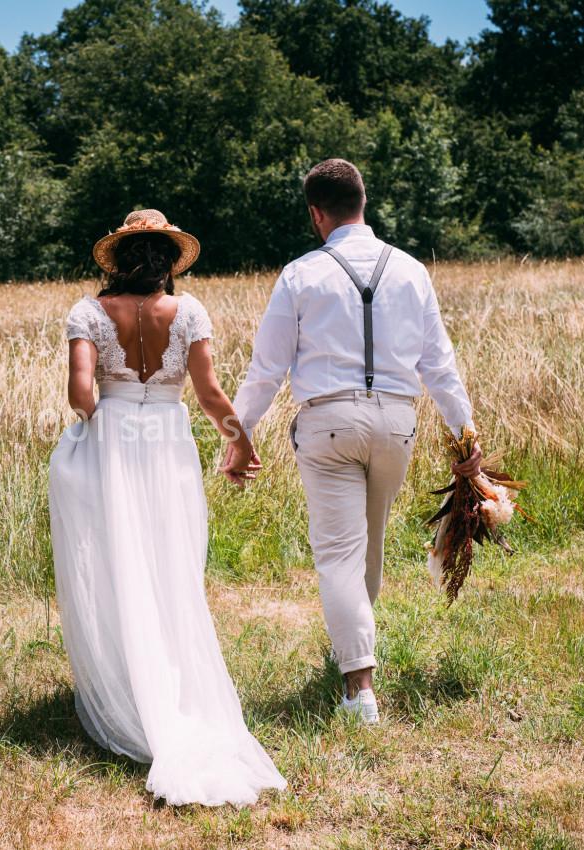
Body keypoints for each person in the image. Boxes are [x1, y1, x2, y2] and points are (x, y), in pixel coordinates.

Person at [228, 159, 482, 725]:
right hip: (397, 424)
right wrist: (467, 437)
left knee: (339, 554)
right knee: (368, 546)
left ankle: (359, 690)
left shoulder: (299, 274)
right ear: (363, 201)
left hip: (328, 424)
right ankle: (354, 650)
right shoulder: (412, 270)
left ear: (317, 214)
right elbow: (440, 366)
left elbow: (267, 369)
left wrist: (237, 432)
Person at [48, 209, 287, 806]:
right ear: (167, 259)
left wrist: (105, 397)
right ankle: (175, 685)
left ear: (120, 257)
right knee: (171, 565)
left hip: (113, 445)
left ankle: (129, 687)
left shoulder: (88, 312)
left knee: (116, 563)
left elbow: (81, 395)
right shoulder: (191, 312)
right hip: (169, 443)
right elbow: (208, 391)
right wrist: (239, 439)